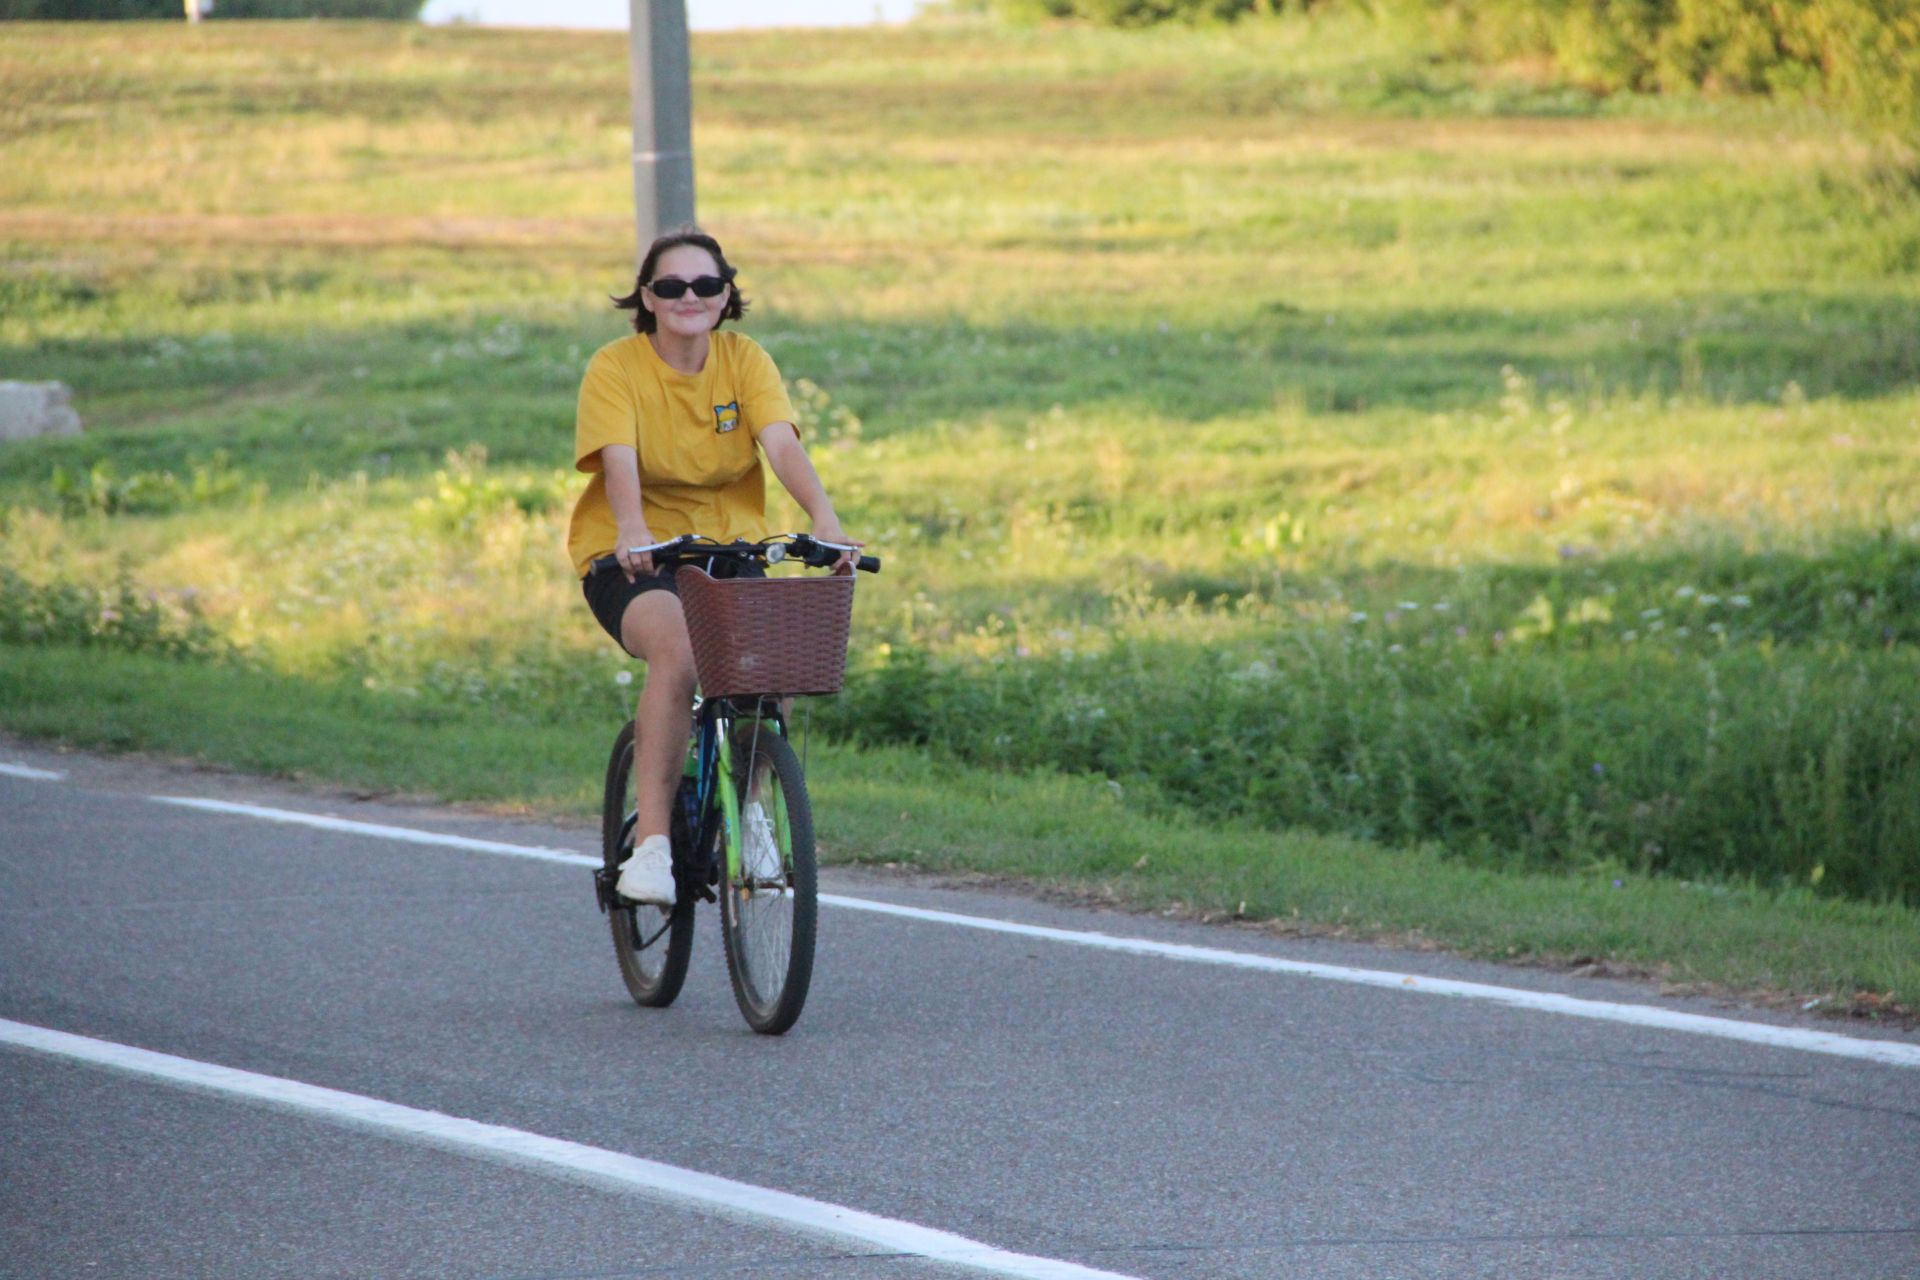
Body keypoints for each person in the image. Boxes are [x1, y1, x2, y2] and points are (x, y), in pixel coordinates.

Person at [568, 228, 858, 905]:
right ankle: (654, 849)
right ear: (647, 297)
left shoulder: (745, 360)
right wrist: (634, 530)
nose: (689, 297)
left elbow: (781, 446)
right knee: (679, 651)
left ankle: (749, 809)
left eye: (705, 285)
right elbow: (618, 459)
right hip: (635, 554)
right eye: (671, 286)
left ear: (727, 295)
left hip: (731, 549)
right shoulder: (617, 367)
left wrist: (825, 519)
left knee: (776, 659)